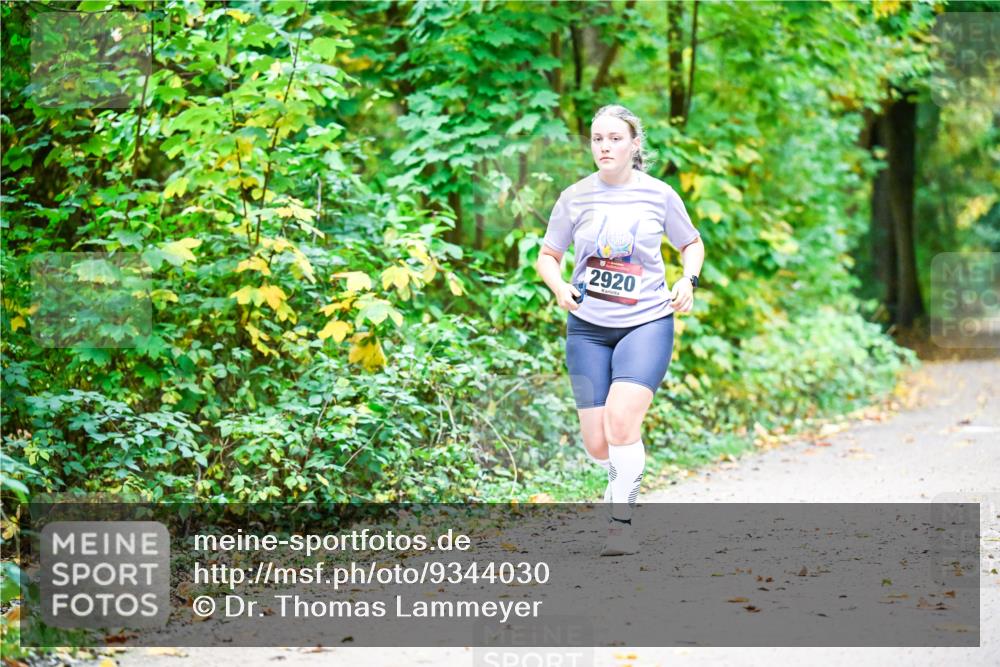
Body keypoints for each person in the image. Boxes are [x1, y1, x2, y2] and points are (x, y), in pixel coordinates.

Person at [535, 104, 705, 556]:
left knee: (621, 421)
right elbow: (548, 256)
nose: (604, 146)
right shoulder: (574, 197)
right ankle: (620, 474)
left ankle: (621, 521)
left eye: (614, 138)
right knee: (596, 442)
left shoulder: (659, 195)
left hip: (646, 321)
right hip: (588, 327)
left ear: (634, 145)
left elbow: (691, 243)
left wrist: (687, 280)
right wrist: (558, 287)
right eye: (597, 138)